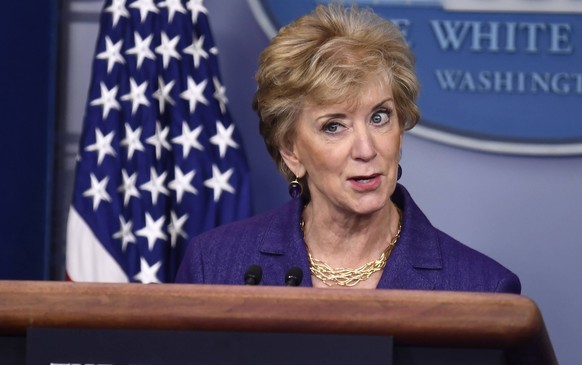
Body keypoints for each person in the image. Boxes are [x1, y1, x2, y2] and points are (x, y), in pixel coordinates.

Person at [175, 4, 521, 293]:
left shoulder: (481, 288)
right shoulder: (216, 266)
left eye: (380, 117)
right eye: (334, 126)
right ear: (291, 151)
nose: (366, 149)